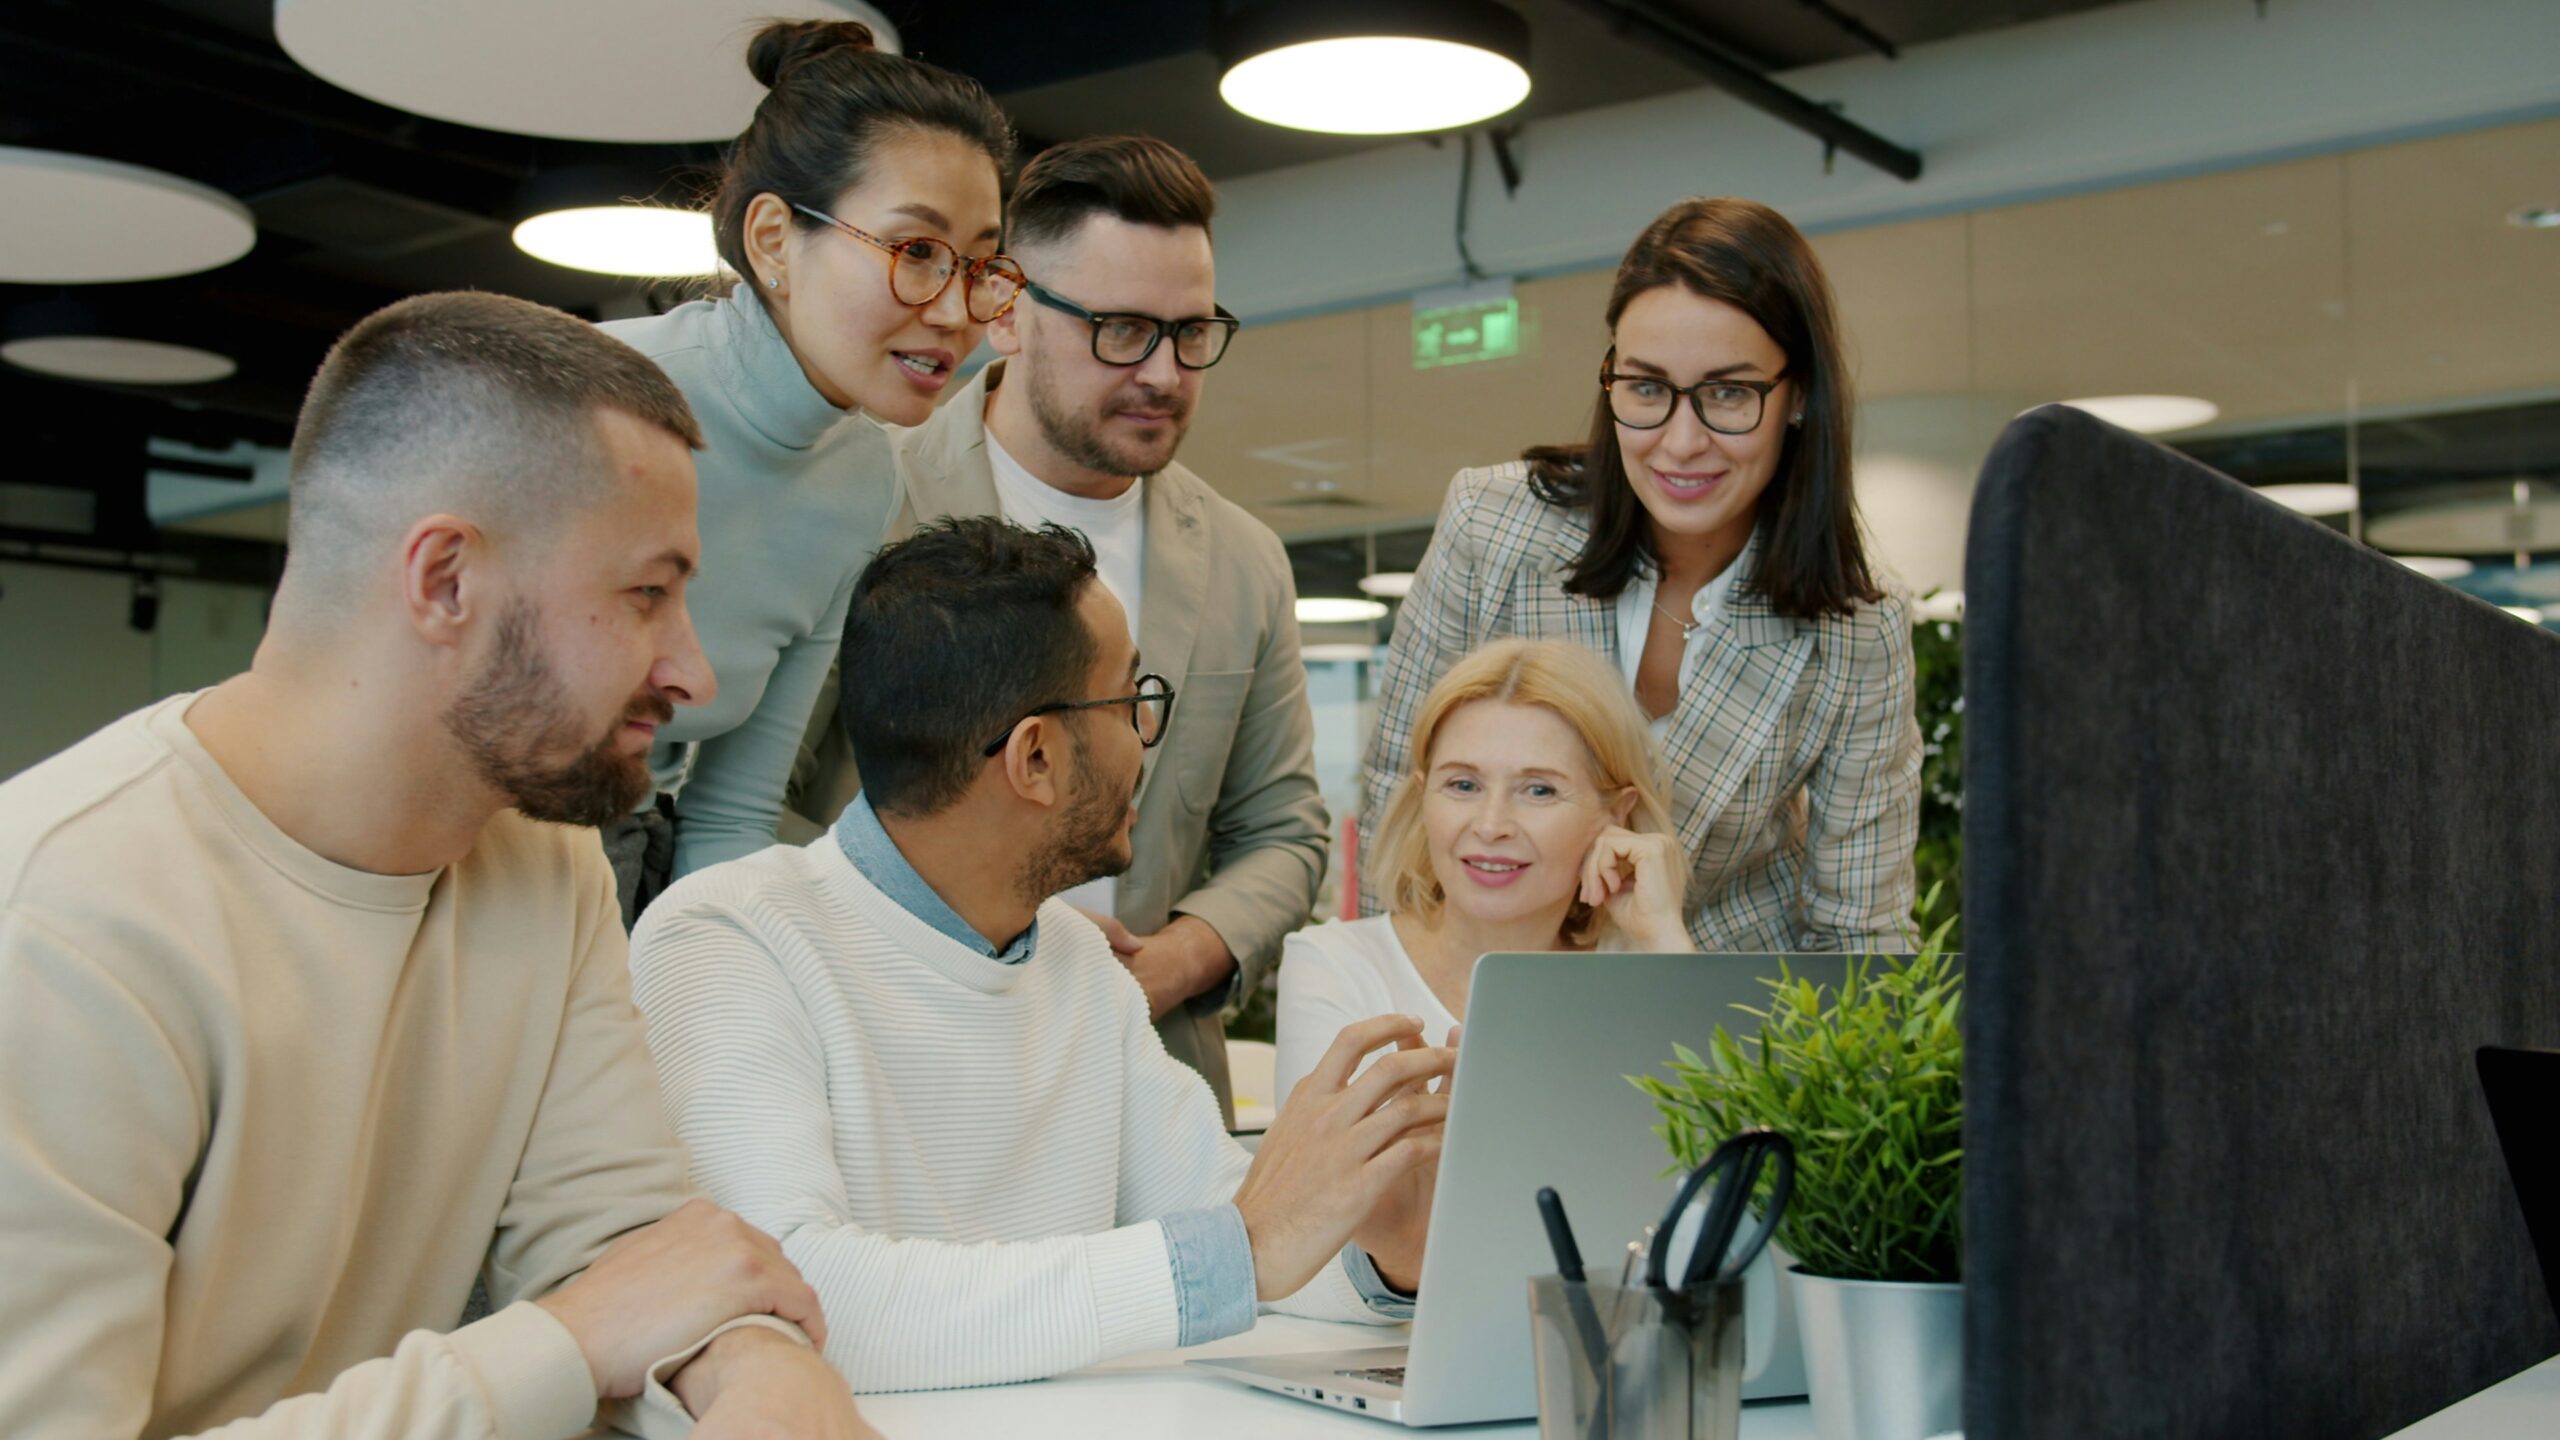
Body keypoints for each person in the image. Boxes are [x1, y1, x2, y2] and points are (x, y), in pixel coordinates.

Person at [0, 293, 868, 1438]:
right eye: (647, 594)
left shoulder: (541, 863)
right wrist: (560, 1344)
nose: (694, 672)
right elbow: (602, 1310)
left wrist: (759, 1372)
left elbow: (629, 1245)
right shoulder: (60, 927)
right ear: (447, 579)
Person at [632, 518, 1447, 1393]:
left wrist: (1382, 1244)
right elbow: (788, 1297)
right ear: (1036, 758)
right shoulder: (728, 938)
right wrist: (1243, 1249)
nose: (1147, 738)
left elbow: (1245, 1238)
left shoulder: (1076, 961)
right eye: (1133, 701)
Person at [788, 136, 1324, 1120]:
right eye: (1120, 330)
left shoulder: (1243, 562)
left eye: (1190, 332)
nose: (1164, 372)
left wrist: (1176, 960)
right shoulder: (864, 501)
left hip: (1135, 1077)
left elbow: (1283, 831)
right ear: (1005, 310)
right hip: (881, 1062)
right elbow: (774, 799)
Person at [1360, 196, 1922, 953]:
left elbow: (1861, 936)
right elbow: (1396, 806)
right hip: (1483, 994)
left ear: (1801, 397)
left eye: (1729, 393)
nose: (1680, 442)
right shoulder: (1492, 526)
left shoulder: (1854, 629)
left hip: (1719, 1018)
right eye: (1648, 389)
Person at [595, 17, 1022, 921]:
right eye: (916, 253)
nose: (954, 311)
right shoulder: (594, 400)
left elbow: (731, 810)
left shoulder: (863, 480)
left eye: (980, 265)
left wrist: (698, 992)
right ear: (775, 240)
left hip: (640, 886)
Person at [1278, 639, 1691, 1100]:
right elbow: (1316, 1173)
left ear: (1616, 814)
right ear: (1423, 797)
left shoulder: (1648, 975)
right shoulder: (1338, 966)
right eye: (1463, 784)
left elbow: (1743, 1156)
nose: (1492, 825)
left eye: (1539, 791)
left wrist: (1665, 942)